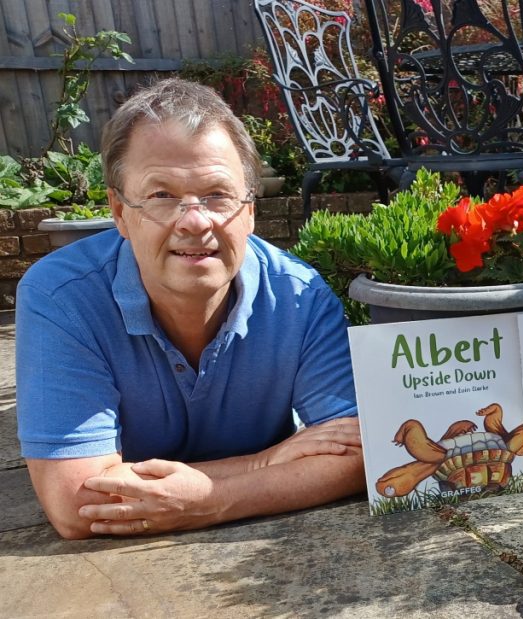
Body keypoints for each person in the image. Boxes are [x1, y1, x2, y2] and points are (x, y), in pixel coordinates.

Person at [16, 78, 365, 539]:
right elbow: (78, 502)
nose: (195, 222)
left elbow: (358, 453)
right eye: (162, 196)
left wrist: (209, 500)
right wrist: (263, 464)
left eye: (218, 195)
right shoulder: (62, 297)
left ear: (250, 210)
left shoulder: (299, 294)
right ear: (120, 213)